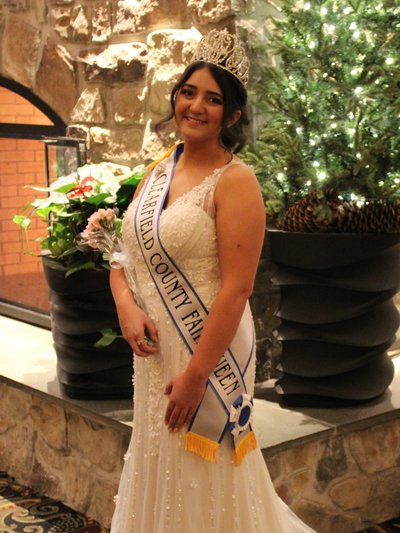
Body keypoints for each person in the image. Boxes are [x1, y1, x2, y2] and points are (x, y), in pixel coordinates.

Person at [109, 29, 316, 533]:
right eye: (188, 91)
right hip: (156, 358)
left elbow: (237, 289)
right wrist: (125, 307)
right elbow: (122, 254)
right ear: (175, 97)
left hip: (205, 355)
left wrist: (199, 374)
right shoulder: (158, 168)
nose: (196, 106)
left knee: (205, 472)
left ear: (234, 115)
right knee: (160, 461)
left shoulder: (236, 182)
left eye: (213, 98)